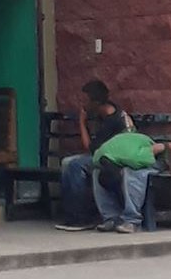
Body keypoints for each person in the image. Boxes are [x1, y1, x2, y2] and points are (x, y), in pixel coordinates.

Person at [54, 80, 130, 231]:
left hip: (114, 159)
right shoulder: (108, 112)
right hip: (107, 155)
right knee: (67, 162)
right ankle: (71, 213)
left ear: (95, 102)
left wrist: (81, 122)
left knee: (75, 165)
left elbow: (90, 148)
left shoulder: (111, 120)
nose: (82, 104)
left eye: (85, 100)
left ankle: (80, 218)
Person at [92, 132, 171, 233]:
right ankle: (111, 218)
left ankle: (132, 221)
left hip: (155, 158)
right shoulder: (100, 156)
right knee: (97, 172)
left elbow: (157, 148)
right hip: (123, 151)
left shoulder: (134, 157)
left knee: (132, 173)